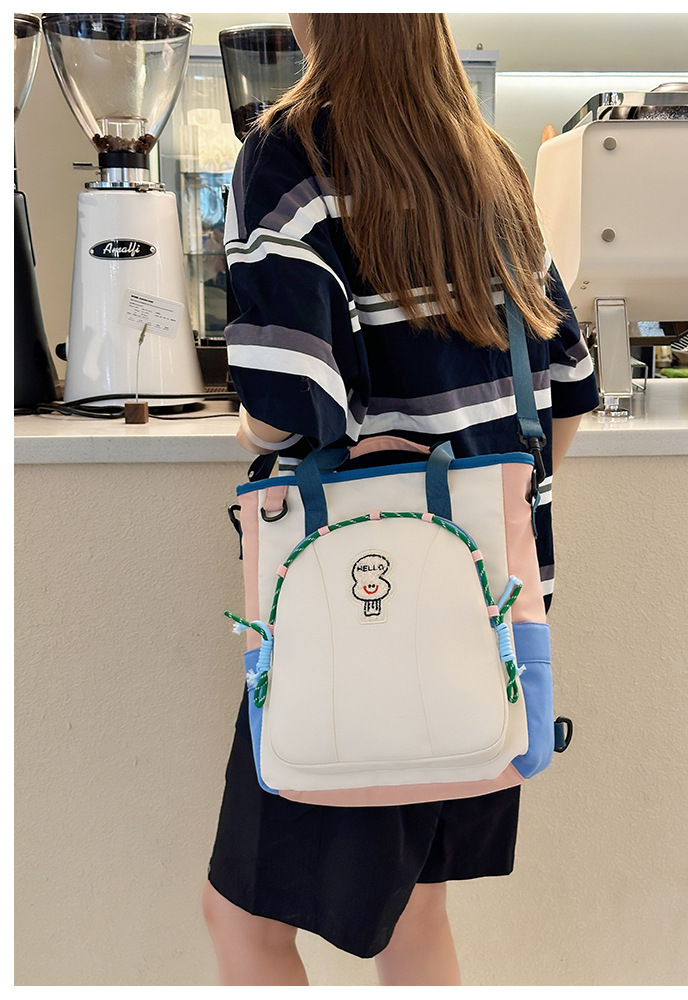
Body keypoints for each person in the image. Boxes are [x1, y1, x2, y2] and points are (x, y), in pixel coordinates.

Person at [202, 13, 599, 986]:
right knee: (416, 919)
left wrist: (249, 430)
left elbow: (282, 406)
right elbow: (568, 395)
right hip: (489, 625)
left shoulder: (289, 155)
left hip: (360, 619)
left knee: (245, 923)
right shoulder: (490, 160)